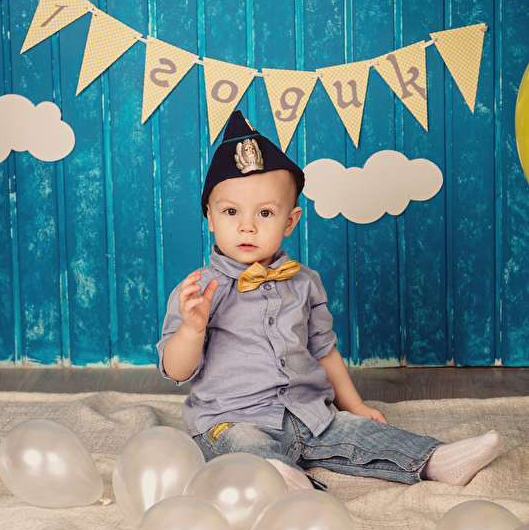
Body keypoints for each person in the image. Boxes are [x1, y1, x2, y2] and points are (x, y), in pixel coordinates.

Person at [157, 111, 504, 491]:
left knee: (359, 432)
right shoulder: (197, 292)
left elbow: (323, 352)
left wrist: (355, 406)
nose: (247, 226)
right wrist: (192, 330)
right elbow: (176, 370)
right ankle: (285, 483)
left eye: (266, 213)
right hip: (231, 418)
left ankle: (436, 459)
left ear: (290, 221)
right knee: (246, 450)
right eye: (230, 211)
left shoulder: (305, 283)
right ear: (210, 217)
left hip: (308, 413)